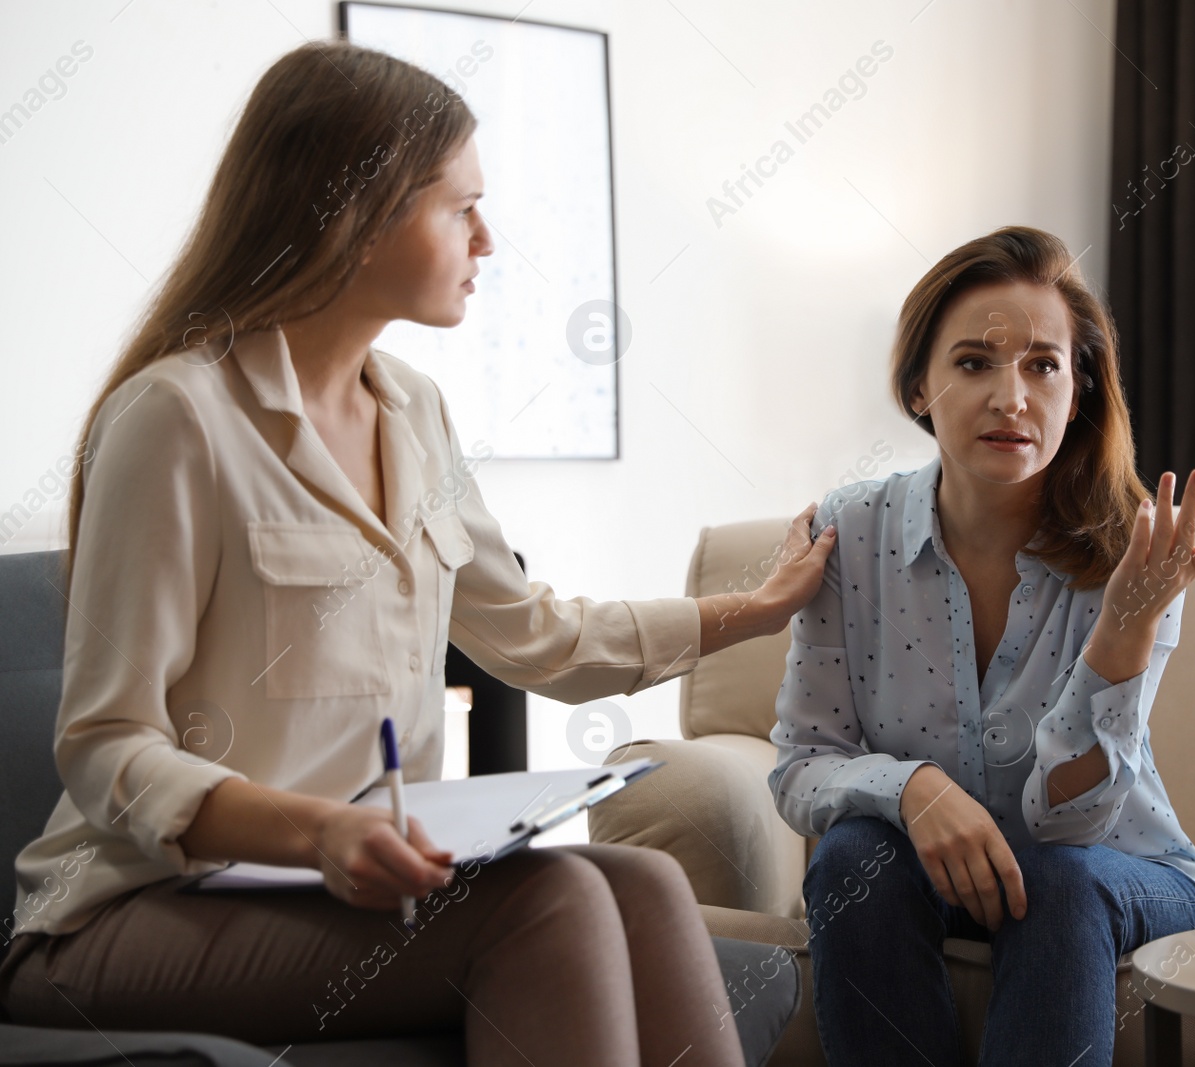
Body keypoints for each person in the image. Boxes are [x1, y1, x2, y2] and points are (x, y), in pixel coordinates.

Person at [0, 40, 836, 1067]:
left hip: (338, 894)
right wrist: (314, 832)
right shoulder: (178, 420)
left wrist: (750, 611)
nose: (488, 238)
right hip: (127, 908)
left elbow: (533, 633)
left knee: (649, 881)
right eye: (459, 206)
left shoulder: (415, 412)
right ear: (349, 214)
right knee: (551, 902)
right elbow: (106, 742)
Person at [768, 225, 1195, 1066]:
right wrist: (914, 789)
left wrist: (1122, 629)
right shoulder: (851, 531)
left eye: (1043, 365)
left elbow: (1070, 823)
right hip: (939, 880)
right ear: (918, 387)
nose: (1012, 396)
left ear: (1080, 393)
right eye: (973, 363)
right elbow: (801, 762)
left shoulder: (1133, 553)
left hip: (1121, 874)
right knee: (854, 853)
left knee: (1060, 879)